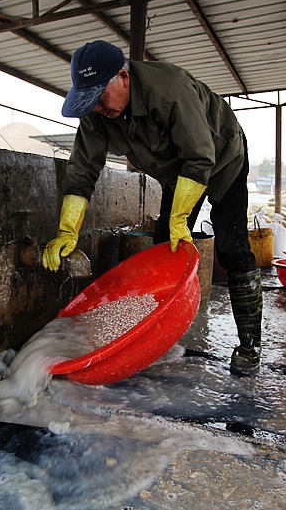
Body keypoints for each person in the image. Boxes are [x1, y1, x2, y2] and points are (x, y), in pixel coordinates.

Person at [42, 40, 263, 376]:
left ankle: (250, 344)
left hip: (221, 158)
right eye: (90, 103)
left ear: (123, 76)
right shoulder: (98, 114)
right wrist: (66, 230)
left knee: (232, 247)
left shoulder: (170, 90)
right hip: (177, 172)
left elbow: (200, 156)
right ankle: (157, 336)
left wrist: (179, 218)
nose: (98, 108)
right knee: (166, 249)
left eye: (100, 98)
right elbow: (82, 170)